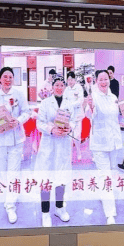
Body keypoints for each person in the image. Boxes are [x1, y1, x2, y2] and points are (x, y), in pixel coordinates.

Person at [0, 67, 31, 224]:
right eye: (5, 76)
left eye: (10, 77)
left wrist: (18, 121)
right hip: (0, 139)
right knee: (4, 172)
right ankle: (12, 194)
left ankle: (10, 206)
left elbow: (26, 112)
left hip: (16, 139)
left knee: (13, 172)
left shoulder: (19, 94)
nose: (8, 79)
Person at [34, 76, 80, 227]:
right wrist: (51, 129)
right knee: (46, 178)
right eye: (57, 85)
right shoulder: (46, 103)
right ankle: (45, 212)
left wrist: (69, 128)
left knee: (62, 177)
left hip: (63, 144)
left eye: (62, 85)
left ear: (65, 87)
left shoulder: (69, 103)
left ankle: (59, 208)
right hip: (49, 144)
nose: (59, 88)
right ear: (52, 87)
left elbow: (73, 120)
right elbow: (39, 123)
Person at [86, 69, 122, 225]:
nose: (103, 82)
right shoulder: (93, 97)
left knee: (111, 173)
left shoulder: (113, 97)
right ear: (96, 81)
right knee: (105, 176)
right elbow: (89, 115)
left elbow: (116, 117)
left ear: (109, 80)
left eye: (105, 79)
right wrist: (90, 107)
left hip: (114, 142)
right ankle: (110, 213)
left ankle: (104, 195)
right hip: (100, 143)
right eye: (100, 79)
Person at [64, 71, 86, 160]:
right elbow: (64, 100)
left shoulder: (79, 88)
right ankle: (69, 155)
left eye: (71, 80)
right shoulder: (66, 89)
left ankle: (78, 151)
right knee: (69, 136)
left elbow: (81, 100)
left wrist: (71, 105)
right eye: (68, 80)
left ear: (74, 80)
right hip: (69, 116)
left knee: (77, 136)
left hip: (77, 115)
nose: (70, 82)